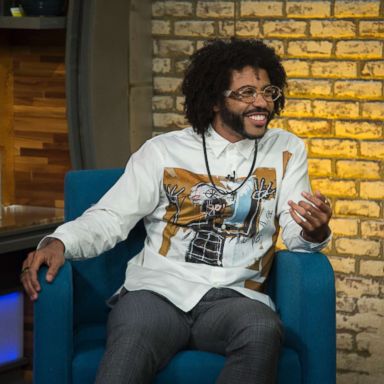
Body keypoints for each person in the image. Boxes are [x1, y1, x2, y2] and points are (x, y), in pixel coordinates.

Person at [21, 38, 332, 384]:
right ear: (215, 100)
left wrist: (313, 231)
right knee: (131, 342)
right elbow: (111, 216)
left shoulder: (286, 150)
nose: (261, 102)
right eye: (245, 93)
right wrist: (59, 241)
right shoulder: (163, 151)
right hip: (157, 292)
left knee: (262, 328)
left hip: (235, 299)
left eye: (267, 91)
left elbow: (295, 227)